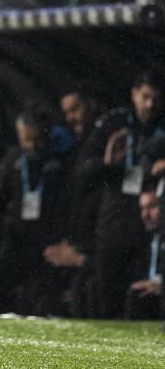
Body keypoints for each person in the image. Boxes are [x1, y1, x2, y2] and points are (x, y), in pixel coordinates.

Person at [75, 71, 165, 318]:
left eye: (157, 99)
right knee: (108, 303)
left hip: (150, 229)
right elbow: (82, 171)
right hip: (113, 226)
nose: (150, 105)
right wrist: (107, 164)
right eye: (145, 97)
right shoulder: (114, 123)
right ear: (134, 94)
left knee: (140, 302)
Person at [0, 107, 70, 315]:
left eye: (37, 139)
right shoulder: (14, 160)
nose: (32, 145)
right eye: (26, 139)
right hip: (17, 237)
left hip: (49, 239)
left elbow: (71, 203)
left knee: (38, 297)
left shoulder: (62, 161)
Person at [123, 189, 163, 320]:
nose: (145, 214)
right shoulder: (147, 238)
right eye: (142, 208)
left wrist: (160, 284)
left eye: (151, 207)